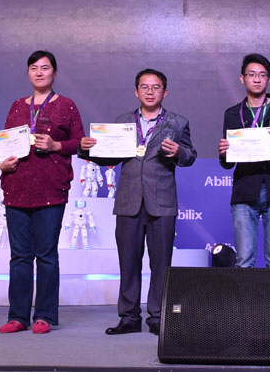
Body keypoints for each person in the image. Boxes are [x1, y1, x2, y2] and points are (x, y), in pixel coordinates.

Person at [81, 68, 196, 336]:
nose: (150, 91)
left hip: (162, 202)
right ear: (136, 92)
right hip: (128, 201)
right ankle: (129, 317)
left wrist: (179, 151)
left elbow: (190, 156)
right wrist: (87, 149)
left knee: (161, 264)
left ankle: (158, 316)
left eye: (156, 87)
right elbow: (108, 157)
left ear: (165, 92)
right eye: (144, 87)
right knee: (128, 262)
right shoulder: (122, 122)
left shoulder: (178, 122)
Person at [0, 50, 85, 335]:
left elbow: (80, 142)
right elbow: (6, 144)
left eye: (44, 68)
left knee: (46, 255)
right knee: (19, 256)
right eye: (33, 68)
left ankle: (44, 315)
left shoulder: (66, 105)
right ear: (28, 73)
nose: (39, 72)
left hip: (51, 189)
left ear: (54, 72)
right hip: (17, 188)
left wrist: (56, 146)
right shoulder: (16, 106)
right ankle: (18, 316)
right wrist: (2, 164)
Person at [216, 54, 270, 268]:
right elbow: (227, 163)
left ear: (269, 79)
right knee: (244, 261)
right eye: (251, 75)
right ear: (242, 78)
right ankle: (246, 294)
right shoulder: (232, 114)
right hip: (244, 190)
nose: (257, 79)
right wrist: (224, 153)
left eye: (262, 75)